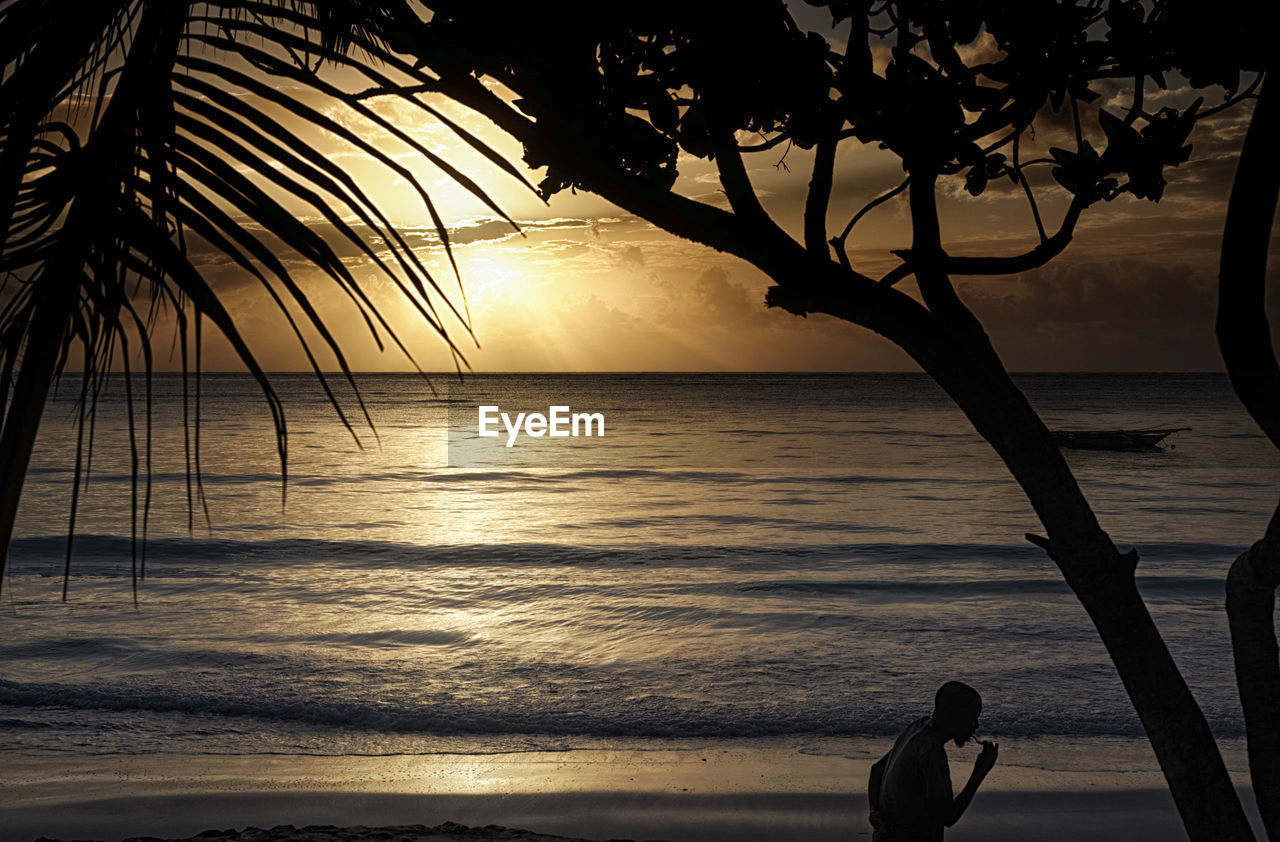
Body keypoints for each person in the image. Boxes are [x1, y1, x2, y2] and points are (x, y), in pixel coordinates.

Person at [867, 681, 999, 841]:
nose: (976, 726)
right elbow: (949, 817)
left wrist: (874, 811)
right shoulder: (932, 751)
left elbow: (877, 770)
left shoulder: (917, 727)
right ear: (956, 718)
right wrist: (979, 772)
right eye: (972, 718)